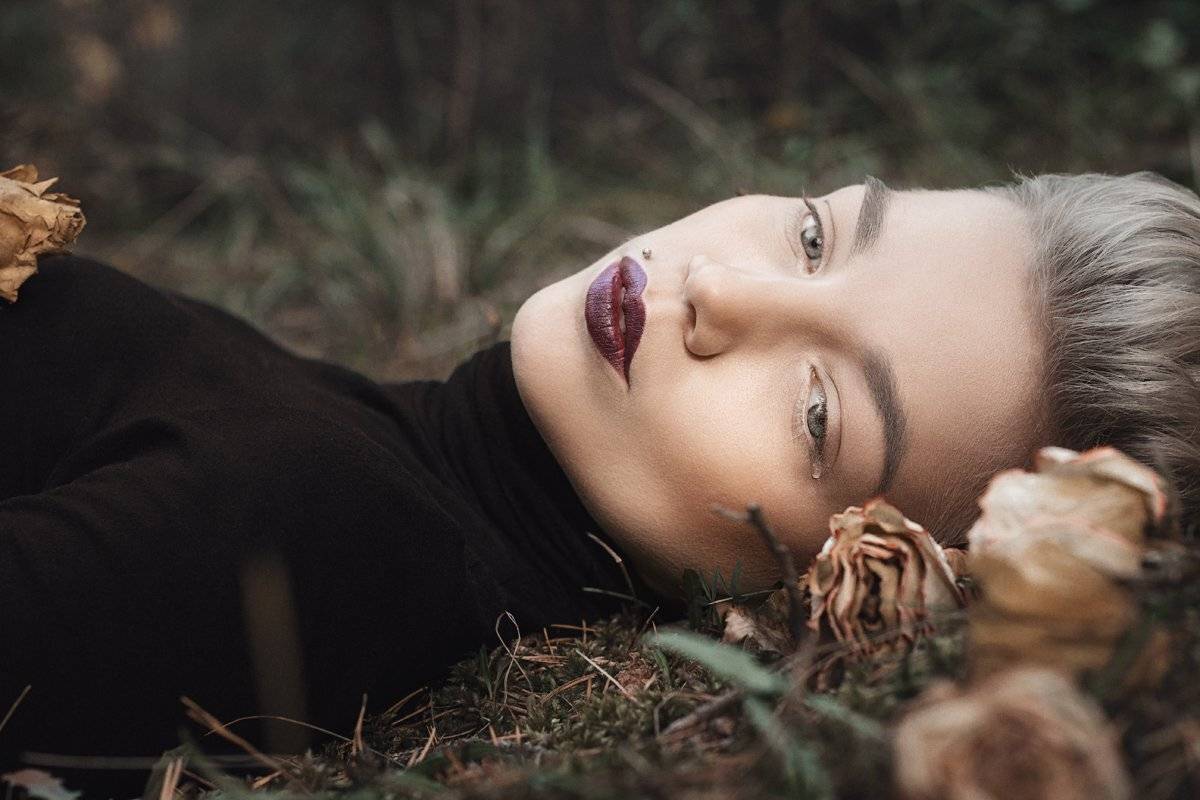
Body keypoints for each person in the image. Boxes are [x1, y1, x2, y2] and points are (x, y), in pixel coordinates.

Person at [0, 171, 1197, 781]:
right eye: (817, 237)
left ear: (853, 581)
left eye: (819, 409)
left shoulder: (315, 528)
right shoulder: (358, 447)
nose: (727, 291)